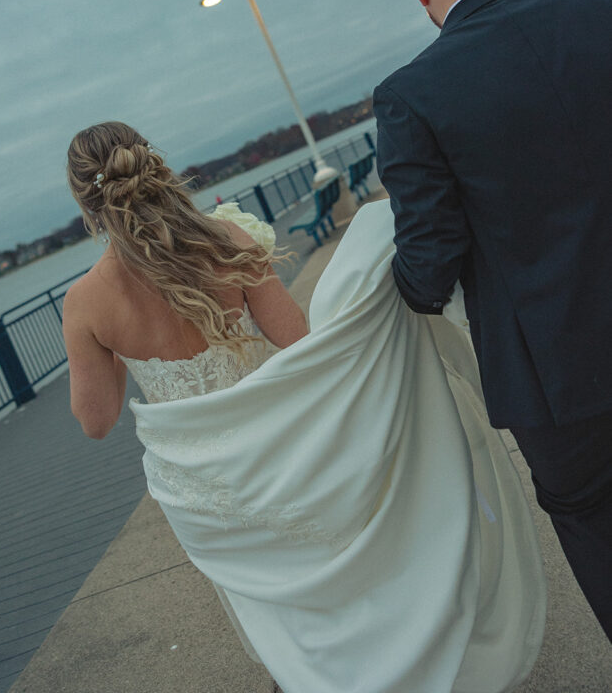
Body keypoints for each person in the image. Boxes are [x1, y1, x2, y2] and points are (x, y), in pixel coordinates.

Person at [64, 120, 546, 692]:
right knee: (321, 574)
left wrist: (115, 350)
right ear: (155, 166)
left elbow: (96, 422)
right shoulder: (227, 241)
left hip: (204, 484)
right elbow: (300, 342)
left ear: (87, 202)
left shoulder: (85, 301)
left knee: (269, 594)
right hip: (279, 447)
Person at [373, 0, 612, 641]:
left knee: (590, 518)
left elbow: (429, 263)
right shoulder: (600, 13)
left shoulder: (410, 96)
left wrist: (401, 289)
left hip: (557, 376)